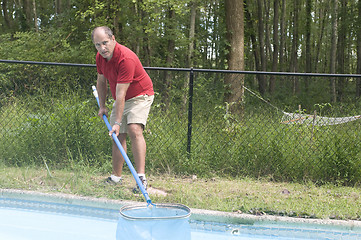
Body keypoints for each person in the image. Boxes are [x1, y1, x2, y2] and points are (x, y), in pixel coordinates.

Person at [92, 26, 154, 192]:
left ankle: (141, 178)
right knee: (117, 137)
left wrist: (117, 122)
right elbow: (101, 82)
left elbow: (121, 95)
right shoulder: (100, 57)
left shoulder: (125, 58)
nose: (102, 48)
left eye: (105, 43)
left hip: (140, 94)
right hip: (122, 98)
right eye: (97, 45)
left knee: (134, 129)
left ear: (113, 39)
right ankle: (116, 177)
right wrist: (102, 106)